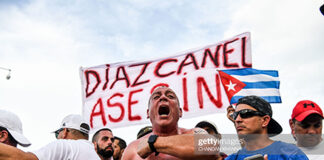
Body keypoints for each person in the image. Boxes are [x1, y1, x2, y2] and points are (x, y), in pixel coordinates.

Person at [122, 86, 219, 160]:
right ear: (148, 113)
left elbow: (212, 147)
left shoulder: (195, 133)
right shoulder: (133, 149)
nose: (163, 97)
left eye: (170, 96)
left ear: (180, 112)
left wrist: (153, 144)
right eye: (156, 97)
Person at [226, 95, 308, 160]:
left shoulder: (291, 154)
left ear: (265, 120)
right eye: (235, 115)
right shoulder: (231, 158)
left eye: (245, 114)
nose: (237, 120)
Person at [0, 114, 100, 160]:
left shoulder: (65, 146)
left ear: (64, 131)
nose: (57, 138)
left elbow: (24, 159)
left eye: (57, 134)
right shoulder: (95, 154)